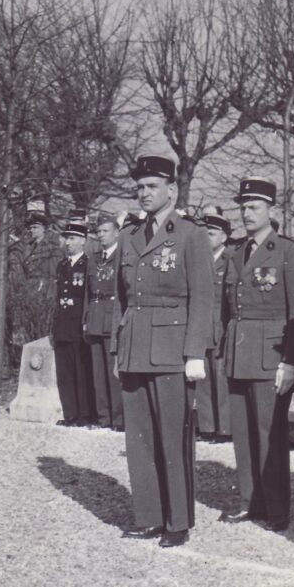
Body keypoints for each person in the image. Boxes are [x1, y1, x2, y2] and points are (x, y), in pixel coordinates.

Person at [111, 155, 214, 548]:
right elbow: (122, 299)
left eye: (152, 186)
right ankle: (149, 515)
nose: (144, 193)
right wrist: (118, 350)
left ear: (171, 190)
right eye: (140, 187)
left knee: (173, 437)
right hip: (135, 345)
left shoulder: (190, 234)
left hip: (172, 349)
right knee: (139, 439)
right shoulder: (129, 236)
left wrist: (195, 353)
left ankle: (178, 520)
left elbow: (203, 298)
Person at [219, 178, 294, 533]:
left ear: (271, 210)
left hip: (270, 354)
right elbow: (228, 309)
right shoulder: (236, 252)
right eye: (243, 206)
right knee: (242, 433)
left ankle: (276, 507)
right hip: (239, 352)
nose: (246, 212)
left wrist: (290, 361)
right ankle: (248, 501)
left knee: (269, 434)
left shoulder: (287, 251)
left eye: (254, 206)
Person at [53, 219, 95, 427]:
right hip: (62, 325)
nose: (67, 243)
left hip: (78, 324)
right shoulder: (62, 265)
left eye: (72, 238)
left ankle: (84, 415)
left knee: (80, 371)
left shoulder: (87, 265)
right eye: (66, 238)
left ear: (83, 241)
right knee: (65, 373)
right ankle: (70, 414)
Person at [83, 215, 123, 431]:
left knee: (112, 372)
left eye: (105, 231)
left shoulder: (121, 256)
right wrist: (85, 320)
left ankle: (118, 419)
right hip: (96, 317)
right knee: (98, 372)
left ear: (117, 232)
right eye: (98, 232)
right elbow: (88, 293)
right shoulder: (94, 258)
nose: (101, 235)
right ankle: (103, 417)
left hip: (112, 318)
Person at [196, 213, 232, 442]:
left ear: (224, 236)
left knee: (221, 379)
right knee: (203, 379)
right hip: (202, 328)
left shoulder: (230, 260)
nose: (207, 238)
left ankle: (225, 428)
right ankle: (207, 426)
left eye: (212, 234)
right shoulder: (200, 260)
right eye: (205, 234)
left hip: (221, 327)